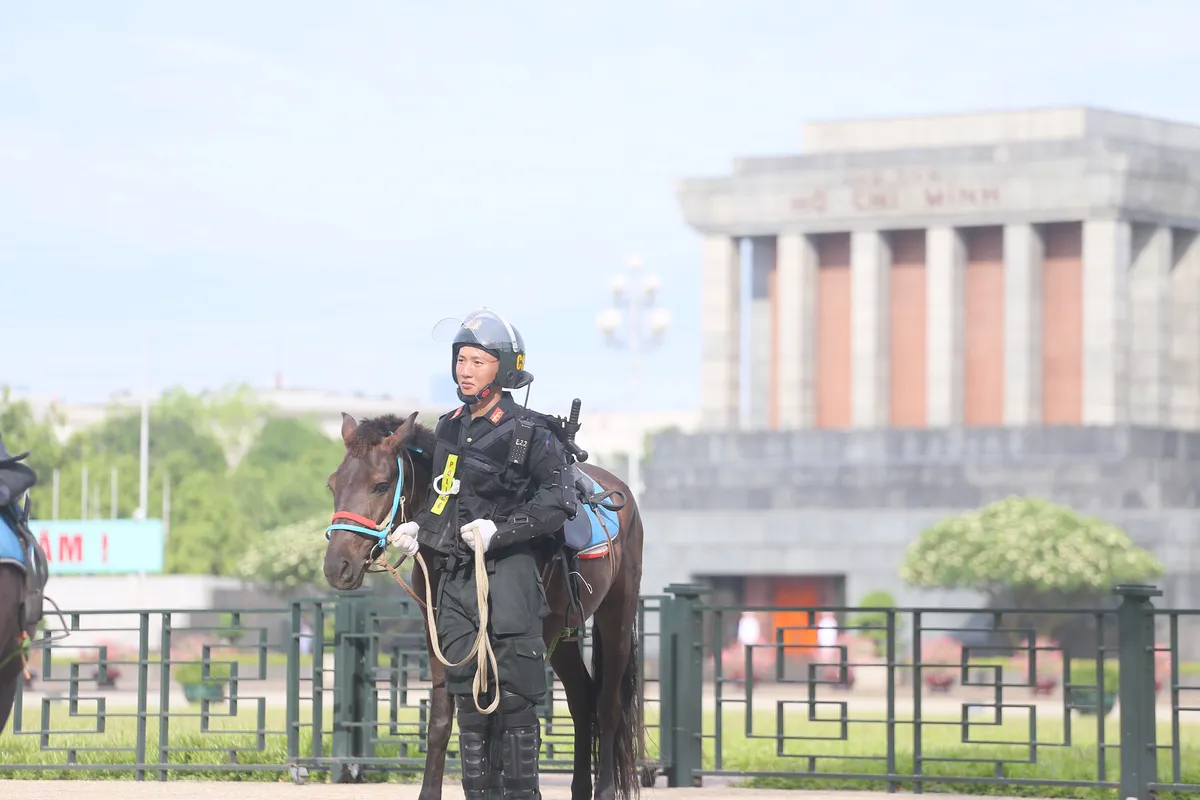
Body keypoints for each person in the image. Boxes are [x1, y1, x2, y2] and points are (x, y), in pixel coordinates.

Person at [389, 308, 577, 800]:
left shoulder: (531, 431)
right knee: (467, 705)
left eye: (477, 360)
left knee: (515, 703)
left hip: (510, 572)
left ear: (504, 368)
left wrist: (501, 530)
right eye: (461, 359)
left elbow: (559, 502)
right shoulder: (448, 427)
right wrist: (418, 528)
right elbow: (441, 496)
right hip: (453, 579)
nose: (465, 370)